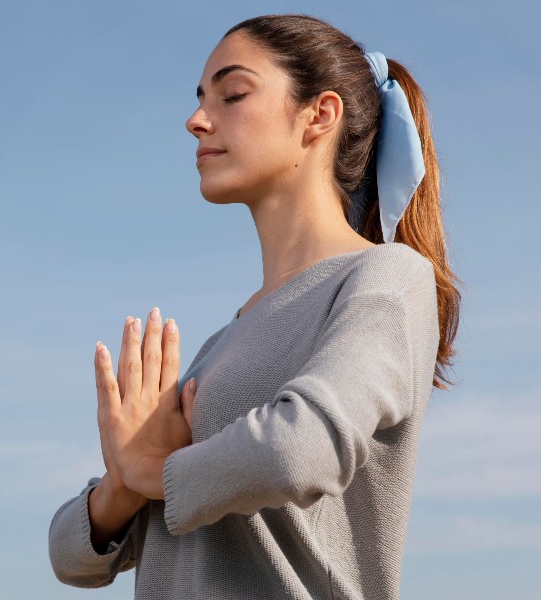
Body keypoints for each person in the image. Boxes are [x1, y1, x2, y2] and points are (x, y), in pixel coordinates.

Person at [48, 13, 461, 600]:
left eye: (232, 93)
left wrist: (157, 473)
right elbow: (71, 557)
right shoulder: (222, 345)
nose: (197, 120)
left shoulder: (386, 277)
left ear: (319, 115)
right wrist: (123, 484)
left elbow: (300, 450)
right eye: (200, 99)